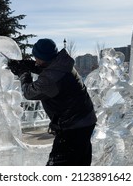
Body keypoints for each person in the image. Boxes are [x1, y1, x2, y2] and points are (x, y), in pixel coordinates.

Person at [18, 38, 97, 166]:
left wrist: (23, 74)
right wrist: (32, 66)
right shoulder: (63, 64)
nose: (35, 60)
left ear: (41, 57)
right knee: (80, 162)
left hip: (73, 127)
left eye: (36, 57)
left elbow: (29, 92)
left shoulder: (52, 79)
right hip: (85, 121)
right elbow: (51, 71)